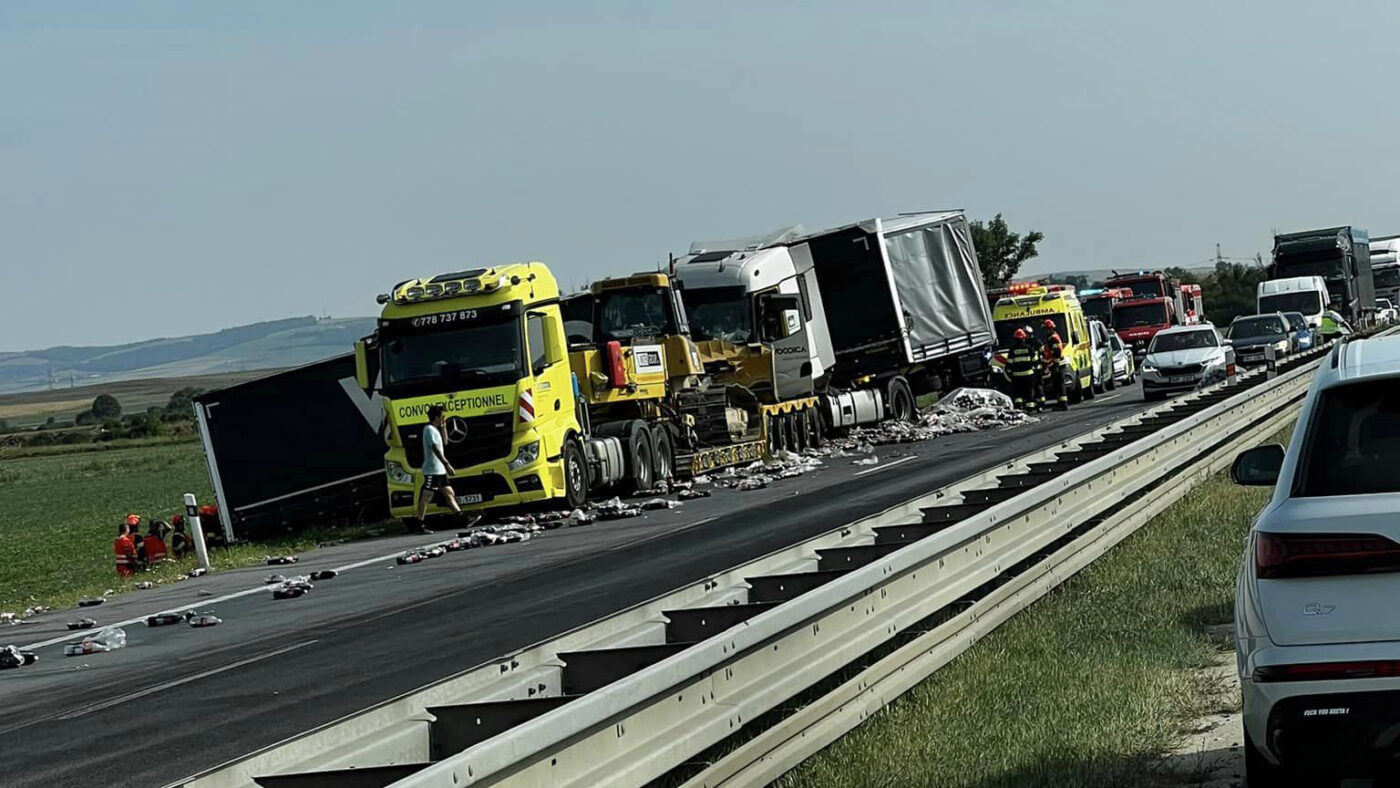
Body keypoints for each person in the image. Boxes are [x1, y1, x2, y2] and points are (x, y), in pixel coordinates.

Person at [415, 404, 461, 531]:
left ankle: (461, 518)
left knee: (449, 493)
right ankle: (420, 523)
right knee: (426, 497)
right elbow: (435, 448)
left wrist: (444, 428)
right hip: (432, 469)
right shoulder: (428, 429)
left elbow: (445, 443)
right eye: (442, 416)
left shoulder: (436, 430)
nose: (443, 418)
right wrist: (447, 464)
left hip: (439, 470)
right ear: (436, 417)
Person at [1006, 329, 1041, 411]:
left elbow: (1009, 364)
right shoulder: (1029, 348)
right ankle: (1030, 407)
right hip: (1029, 375)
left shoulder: (1012, 350)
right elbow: (1035, 361)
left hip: (1017, 376)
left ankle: (1019, 407)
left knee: (1018, 392)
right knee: (1029, 391)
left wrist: (1010, 373)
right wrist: (1037, 370)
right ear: (1023, 338)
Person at [1041, 319, 1069, 411]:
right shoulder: (1053, 337)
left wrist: (1055, 365)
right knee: (1058, 385)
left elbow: (1057, 352)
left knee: (1059, 385)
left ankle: (1062, 404)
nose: (1045, 331)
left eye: (1046, 329)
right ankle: (1061, 403)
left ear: (1050, 329)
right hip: (1055, 364)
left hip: (1057, 365)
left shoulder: (1053, 338)